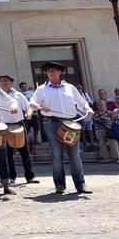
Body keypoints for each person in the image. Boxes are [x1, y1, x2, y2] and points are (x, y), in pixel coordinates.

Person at [28, 61, 94, 195]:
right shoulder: (41, 89)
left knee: (74, 155)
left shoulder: (70, 87)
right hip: (51, 123)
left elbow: (82, 103)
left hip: (70, 123)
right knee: (56, 156)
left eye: (53, 70)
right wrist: (39, 107)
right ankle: (59, 185)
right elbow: (32, 103)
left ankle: (81, 185)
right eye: (48, 71)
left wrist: (88, 109)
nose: (50, 73)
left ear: (60, 72)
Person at [0, 75, 37, 184]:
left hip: (19, 125)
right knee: (8, 154)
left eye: (6, 80)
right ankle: (11, 177)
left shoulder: (18, 95)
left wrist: (29, 113)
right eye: (1, 81)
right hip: (4, 126)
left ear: (11, 82)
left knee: (24, 151)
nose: (4, 82)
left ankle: (30, 176)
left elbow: (28, 107)